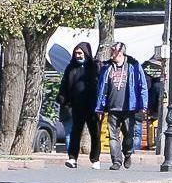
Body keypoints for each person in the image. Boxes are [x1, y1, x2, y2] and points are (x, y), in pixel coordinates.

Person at [97, 40, 148, 168]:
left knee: (128, 136)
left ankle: (128, 153)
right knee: (113, 137)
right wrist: (100, 108)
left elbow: (143, 86)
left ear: (119, 52)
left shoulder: (133, 65)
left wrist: (143, 105)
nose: (110, 53)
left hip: (129, 108)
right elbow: (102, 88)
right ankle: (116, 161)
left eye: (112, 51)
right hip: (112, 108)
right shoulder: (107, 67)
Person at [59, 41, 102, 169]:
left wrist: (101, 105)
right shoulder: (71, 67)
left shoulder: (95, 67)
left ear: (86, 53)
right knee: (75, 133)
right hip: (76, 106)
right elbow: (64, 84)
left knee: (95, 133)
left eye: (80, 53)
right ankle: (72, 158)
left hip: (93, 106)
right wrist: (63, 99)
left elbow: (102, 85)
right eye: (76, 53)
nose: (78, 55)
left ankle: (95, 159)